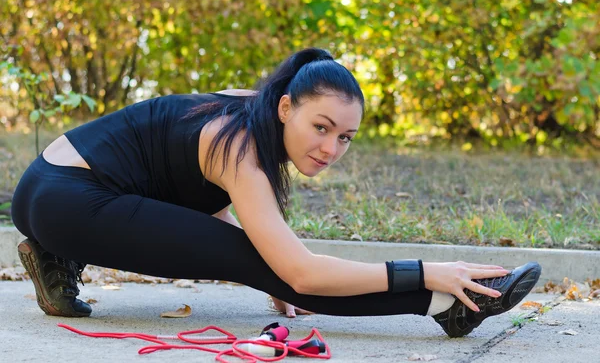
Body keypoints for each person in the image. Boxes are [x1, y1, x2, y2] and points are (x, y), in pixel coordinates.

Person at [11, 48, 541, 338]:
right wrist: (426, 269)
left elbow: (187, 193)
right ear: (287, 107)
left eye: (346, 137)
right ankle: (445, 304)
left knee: (263, 261)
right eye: (322, 127)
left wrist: (268, 261)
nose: (332, 148)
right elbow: (303, 273)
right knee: (271, 266)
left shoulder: (255, 110)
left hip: (49, 186)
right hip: (69, 197)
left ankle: (54, 255)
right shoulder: (239, 142)